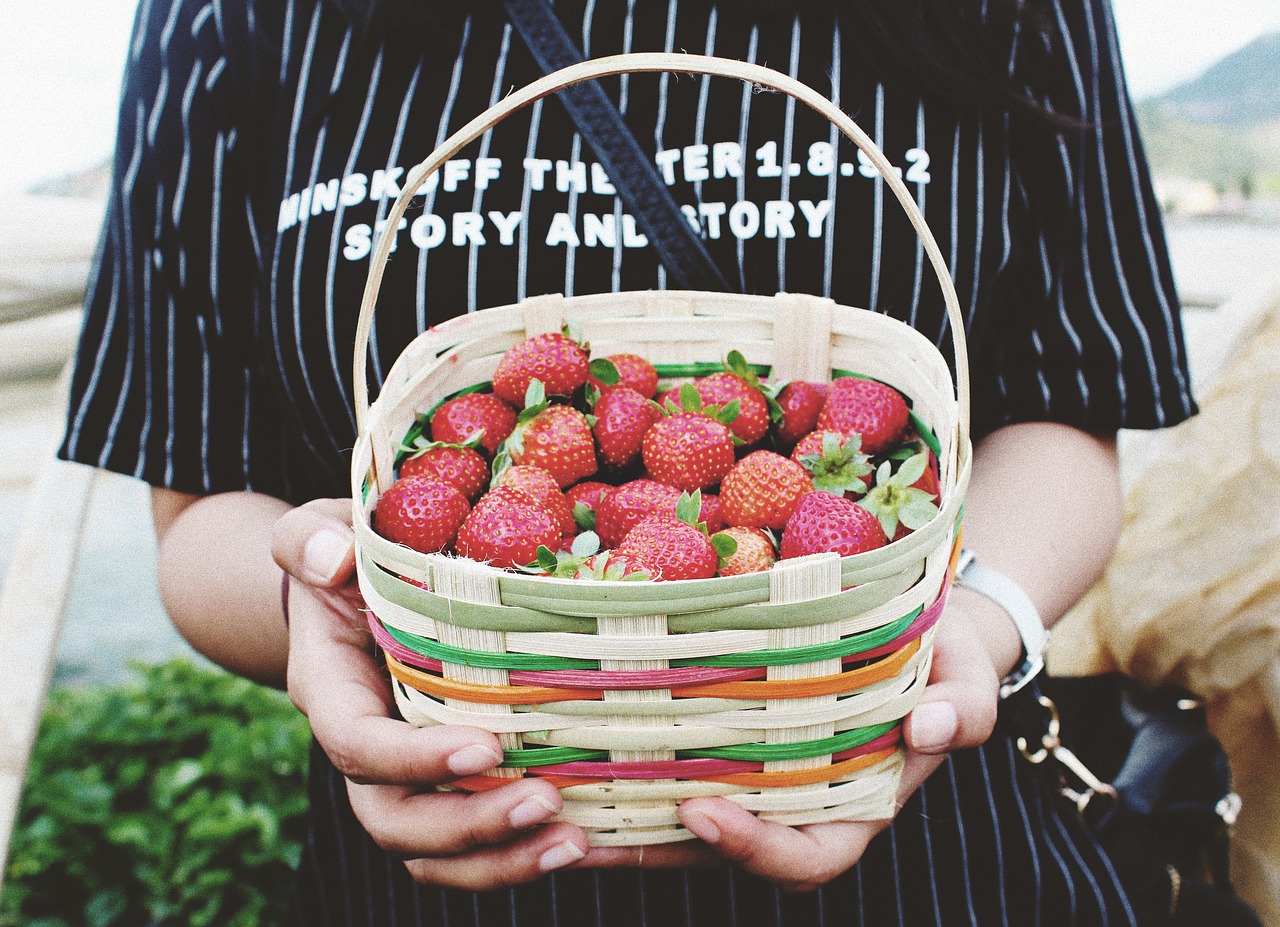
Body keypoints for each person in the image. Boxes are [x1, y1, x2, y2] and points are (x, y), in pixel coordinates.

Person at [59, 0, 1198, 923]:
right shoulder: (235, 17)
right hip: (439, 858)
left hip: (928, 857)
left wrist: (974, 620)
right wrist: (344, 607)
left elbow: (1066, 414)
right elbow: (199, 505)